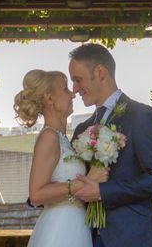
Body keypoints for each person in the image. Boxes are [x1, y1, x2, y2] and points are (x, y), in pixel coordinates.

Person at [69, 43, 152, 247]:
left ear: (100, 72)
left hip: (131, 238)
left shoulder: (141, 116)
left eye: (77, 79)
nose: (74, 89)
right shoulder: (82, 128)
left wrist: (102, 192)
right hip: (85, 237)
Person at [14, 69, 108, 247]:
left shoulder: (62, 138)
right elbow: (36, 194)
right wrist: (85, 183)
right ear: (49, 98)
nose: (72, 94)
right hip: (60, 230)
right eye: (65, 89)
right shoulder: (49, 137)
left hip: (75, 226)